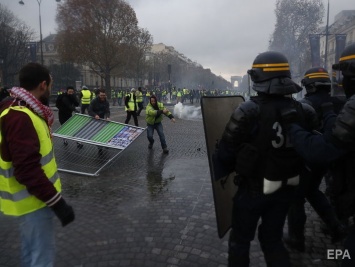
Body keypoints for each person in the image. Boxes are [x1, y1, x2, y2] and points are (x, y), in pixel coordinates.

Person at [215, 51, 318, 267]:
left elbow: (225, 152)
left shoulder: (248, 110)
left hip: (254, 189)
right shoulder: (303, 111)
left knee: (240, 242)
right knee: (273, 240)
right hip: (287, 187)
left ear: (258, 78)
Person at [283, 43, 355, 267]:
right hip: (331, 167)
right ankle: (335, 227)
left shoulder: (302, 105)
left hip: (307, 161)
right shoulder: (341, 102)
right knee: (313, 192)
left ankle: (296, 238)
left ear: (308, 85)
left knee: (296, 197)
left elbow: (312, 144)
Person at [0, 63, 75, 267]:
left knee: (31, 252)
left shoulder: (21, 110)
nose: (50, 89)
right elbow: (26, 169)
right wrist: (57, 202)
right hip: (35, 201)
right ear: (43, 85)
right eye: (50, 84)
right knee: (40, 259)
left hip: (32, 199)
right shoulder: (21, 116)